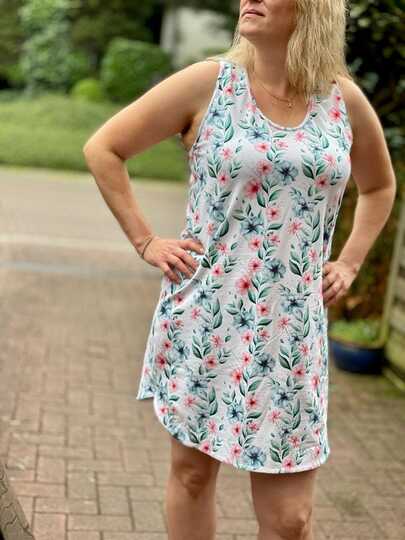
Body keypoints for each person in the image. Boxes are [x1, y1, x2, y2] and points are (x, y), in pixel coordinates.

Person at [83, 1, 397, 538]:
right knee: (192, 475)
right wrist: (146, 241)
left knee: (291, 519)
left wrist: (349, 261)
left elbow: (380, 185)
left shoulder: (343, 100)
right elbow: (104, 148)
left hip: (291, 332)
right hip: (208, 317)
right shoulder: (209, 83)